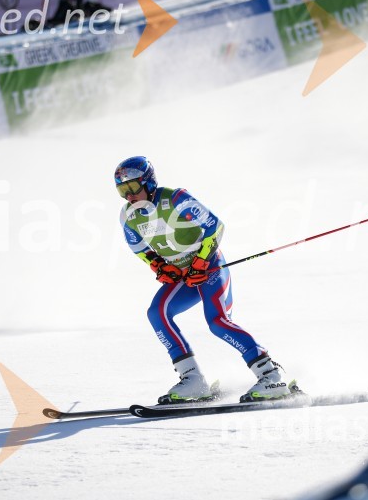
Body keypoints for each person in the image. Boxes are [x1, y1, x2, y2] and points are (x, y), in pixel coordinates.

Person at [115, 156, 292, 404]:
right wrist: (160, 266)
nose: (129, 196)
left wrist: (201, 261)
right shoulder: (129, 217)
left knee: (217, 321)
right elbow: (141, 250)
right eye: (123, 190)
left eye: (133, 187)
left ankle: (272, 376)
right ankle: (193, 380)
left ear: (149, 183)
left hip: (209, 269)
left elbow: (215, 227)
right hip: (183, 276)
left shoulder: (175, 199)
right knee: (158, 313)